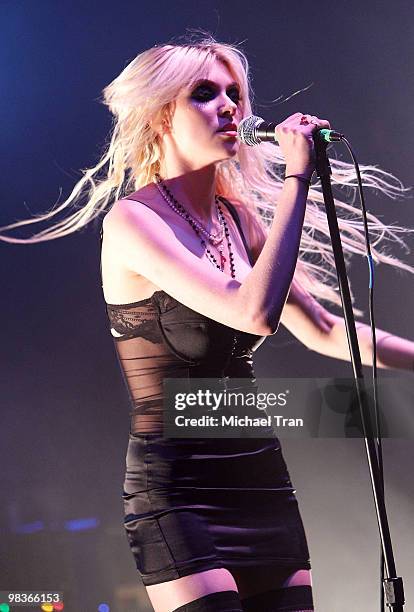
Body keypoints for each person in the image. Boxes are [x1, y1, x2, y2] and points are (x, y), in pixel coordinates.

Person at [3, 34, 414, 612]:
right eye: (204, 93)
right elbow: (255, 312)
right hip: (178, 488)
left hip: (259, 474)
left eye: (235, 95)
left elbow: (323, 329)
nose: (230, 107)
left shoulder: (235, 219)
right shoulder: (133, 221)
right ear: (160, 114)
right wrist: (298, 180)